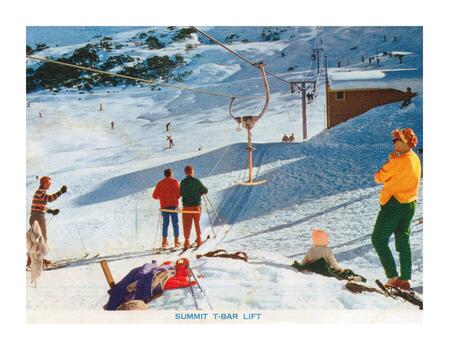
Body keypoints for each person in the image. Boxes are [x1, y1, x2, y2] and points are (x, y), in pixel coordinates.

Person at [371, 128, 421, 290]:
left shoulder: (399, 160)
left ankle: (392, 277)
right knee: (403, 240)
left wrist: (392, 160)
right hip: (410, 204)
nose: (394, 144)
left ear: (405, 142)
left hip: (394, 204)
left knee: (378, 239)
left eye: (396, 140)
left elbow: (379, 177)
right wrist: (394, 158)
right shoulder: (414, 158)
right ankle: (405, 279)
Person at [291, 229, 365, 282]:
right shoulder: (326, 250)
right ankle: (354, 278)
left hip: (312, 267)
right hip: (324, 269)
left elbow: (305, 260)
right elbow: (332, 261)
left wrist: (302, 265)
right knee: (346, 272)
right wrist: (339, 268)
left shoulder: (311, 250)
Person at [28, 176, 67, 266]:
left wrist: (51, 211)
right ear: (45, 183)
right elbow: (49, 199)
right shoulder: (40, 192)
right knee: (41, 239)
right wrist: (60, 192)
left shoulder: (41, 193)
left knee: (38, 238)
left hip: (37, 216)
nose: (49, 186)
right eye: (49, 184)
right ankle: (37, 260)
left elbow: (41, 206)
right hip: (37, 217)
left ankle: (34, 259)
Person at [180, 165, 208, 249]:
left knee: (186, 224)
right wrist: (199, 192)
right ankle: (199, 240)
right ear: (192, 172)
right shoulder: (196, 181)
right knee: (197, 223)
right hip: (196, 206)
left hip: (186, 207)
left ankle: (186, 242)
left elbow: (181, 193)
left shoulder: (182, 182)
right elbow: (205, 190)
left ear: (185, 172)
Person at [152, 169, 181, 248]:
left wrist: (161, 197)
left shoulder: (160, 183)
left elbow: (154, 196)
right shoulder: (175, 182)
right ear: (171, 174)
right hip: (173, 206)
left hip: (164, 206)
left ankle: (164, 242)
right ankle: (176, 241)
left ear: (165, 174)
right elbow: (179, 195)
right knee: (175, 224)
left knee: (165, 224)